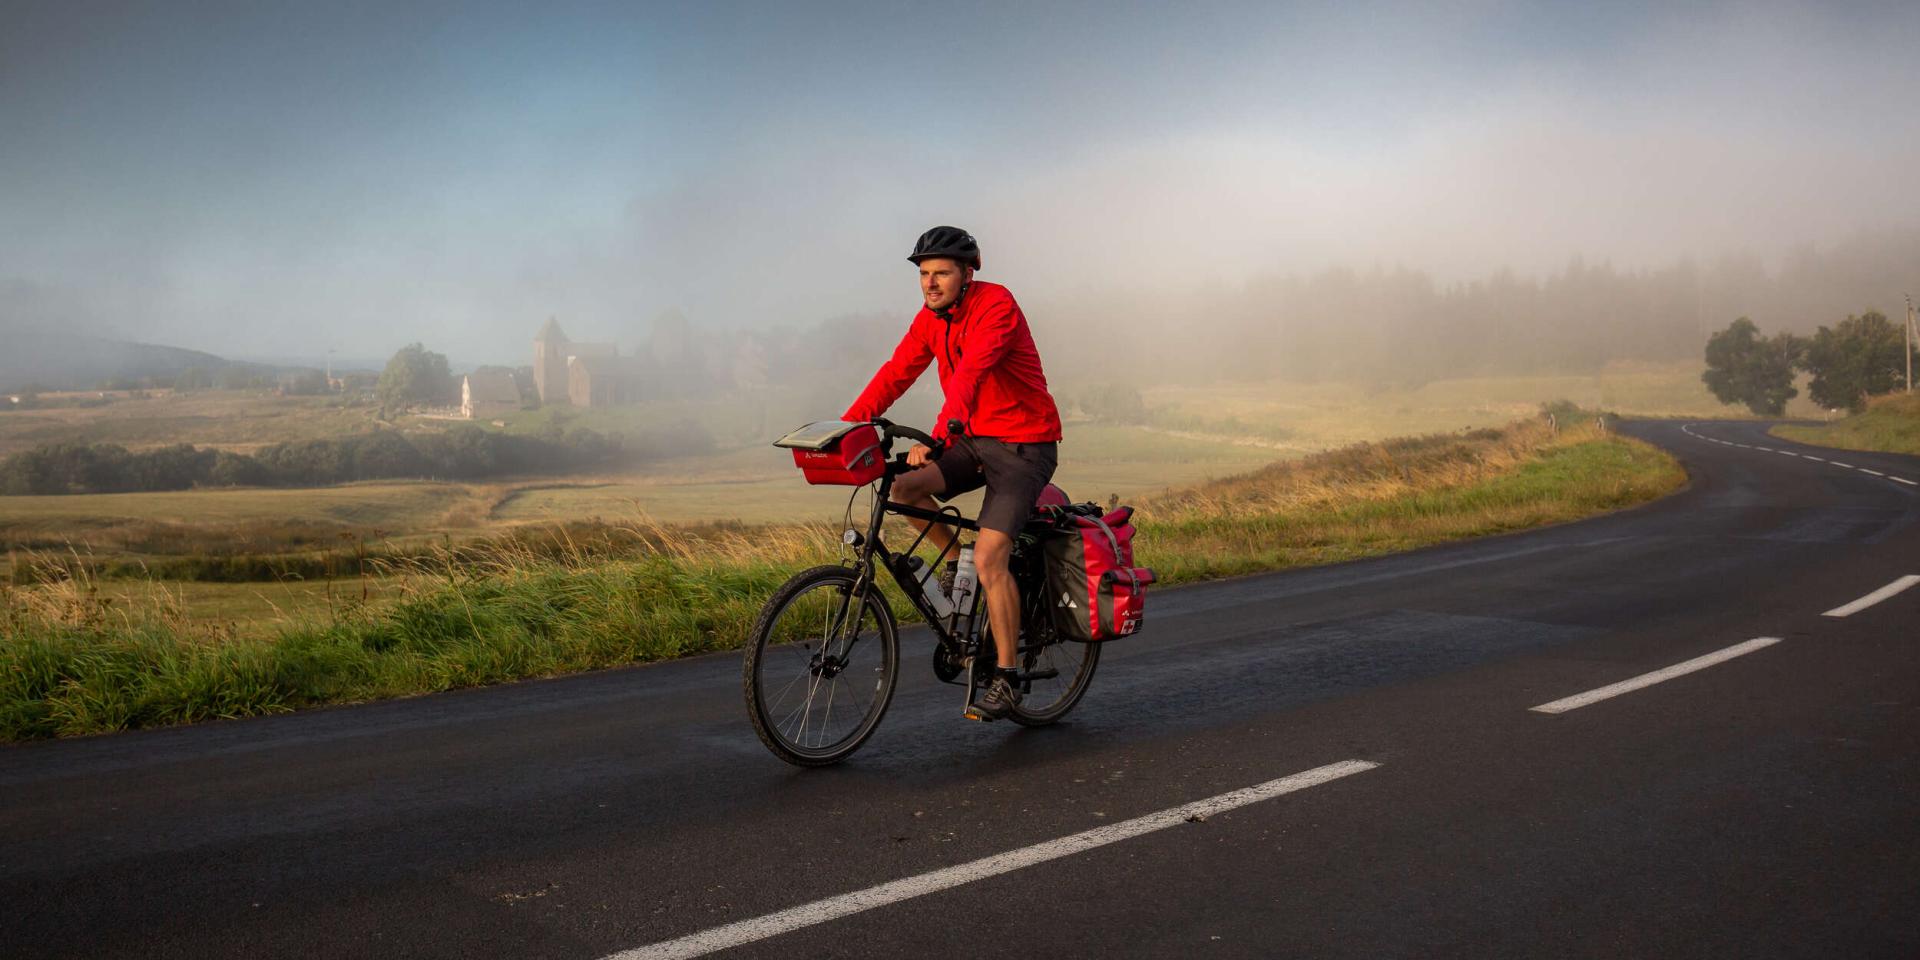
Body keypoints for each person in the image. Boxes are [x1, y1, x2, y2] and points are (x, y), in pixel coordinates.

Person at [842, 225, 1064, 721]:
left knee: (991, 558)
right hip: (975, 439)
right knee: (906, 488)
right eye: (923, 274)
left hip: (1024, 445)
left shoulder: (997, 306)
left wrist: (938, 439)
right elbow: (896, 371)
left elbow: (971, 374)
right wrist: (848, 426)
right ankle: (952, 559)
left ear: (968, 274)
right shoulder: (931, 320)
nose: (930, 283)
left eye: (941, 273)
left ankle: (1007, 678)